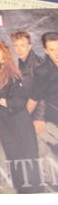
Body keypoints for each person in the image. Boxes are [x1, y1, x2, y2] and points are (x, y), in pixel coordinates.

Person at [0, 37, 41, 193]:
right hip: (4, 125)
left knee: (29, 165)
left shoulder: (12, 76)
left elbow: (18, 103)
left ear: (3, 60)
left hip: (20, 124)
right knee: (15, 166)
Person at [28, 32, 58, 190]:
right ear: (46, 51)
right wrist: (36, 117)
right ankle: (52, 181)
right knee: (37, 137)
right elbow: (36, 97)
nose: (57, 53)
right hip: (53, 116)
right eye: (52, 49)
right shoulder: (43, 70)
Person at [10, 30, 43, 113]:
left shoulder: (37, 64)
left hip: (41, 112)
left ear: (29, 47)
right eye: (16, 45)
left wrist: (39, 117)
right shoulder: (22, 62)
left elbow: (42, 94)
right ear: (13, 47)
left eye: (22, 45)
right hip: (30, 106)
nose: (19, 49)